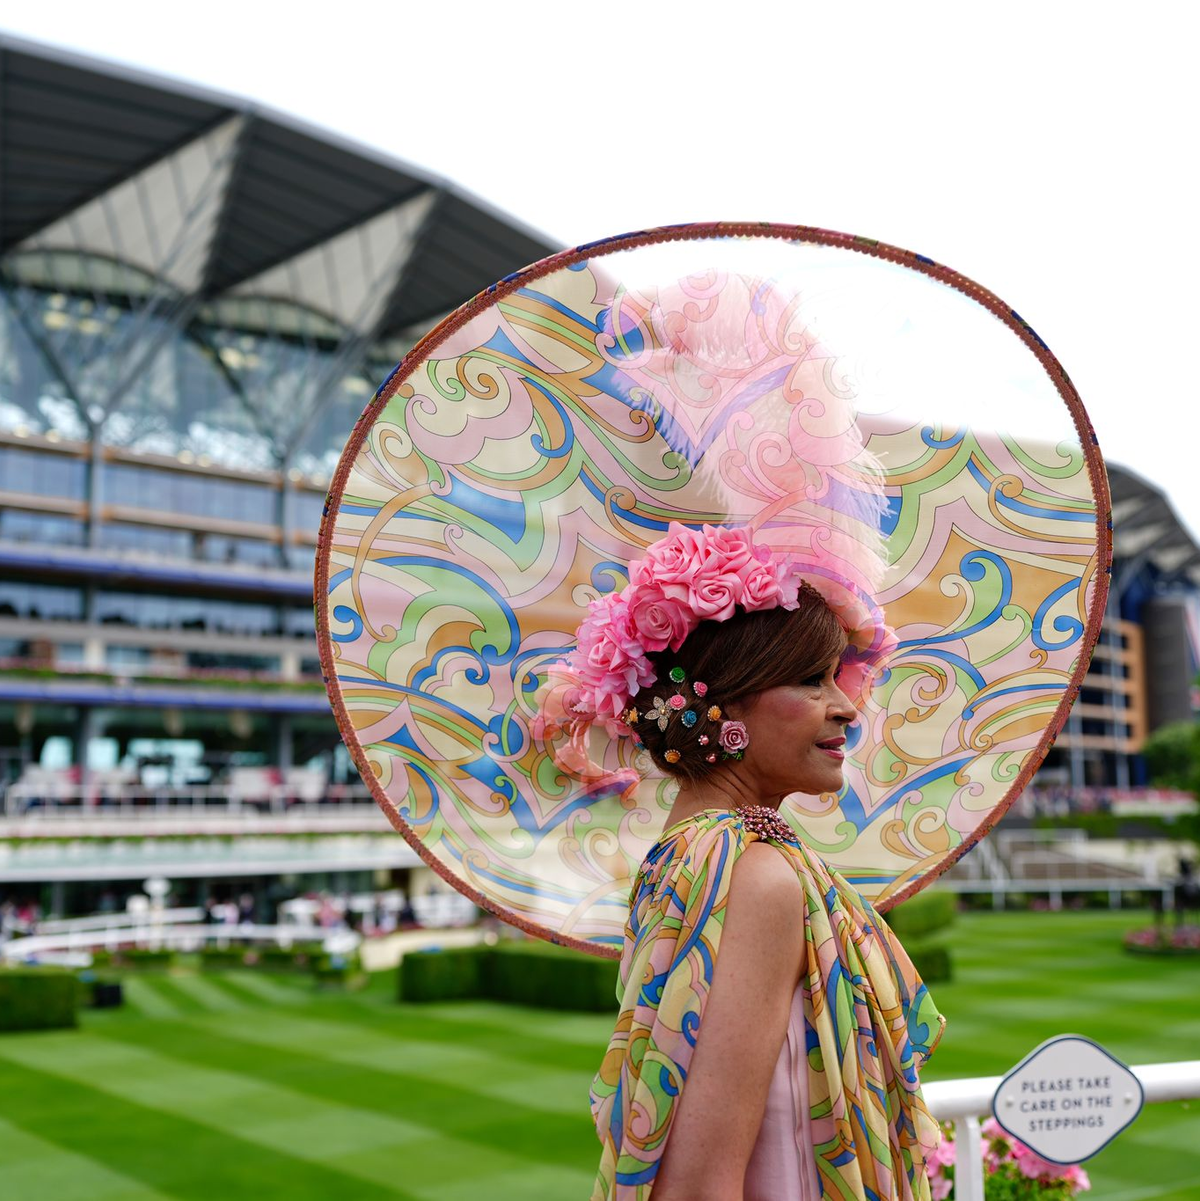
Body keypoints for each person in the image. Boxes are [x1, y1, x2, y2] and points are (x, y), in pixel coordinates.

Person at [581, 524, 944, 1201]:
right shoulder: (756, 875)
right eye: (811, 681)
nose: (847, 706)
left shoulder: (688, 850)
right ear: (724, 709)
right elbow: (697, 1183)